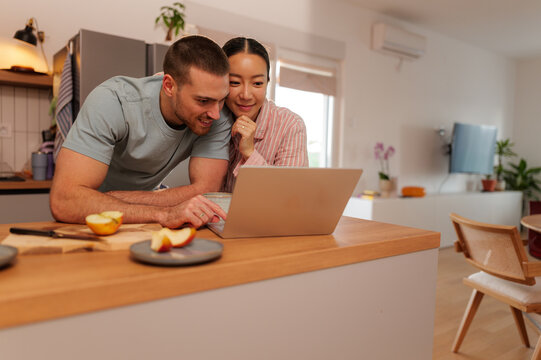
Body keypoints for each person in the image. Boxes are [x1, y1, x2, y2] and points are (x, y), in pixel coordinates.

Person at [50, 35, 231, 228]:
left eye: (221, 100)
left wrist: (117, 199)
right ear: (169, 86)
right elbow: (65, 201)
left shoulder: (216, 117)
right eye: (203, 101)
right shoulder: (113, 101)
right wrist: (164, 212)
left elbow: (206, 191)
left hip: (137, 215)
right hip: (89, 219)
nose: (215, 113)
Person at [221, 37, 309, 193]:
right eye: (235, 82)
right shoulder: (213, 117)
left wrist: (249, 153)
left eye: (257, 83)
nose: (246, 95)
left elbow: (292, 195)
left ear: (267, 83)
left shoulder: (290, 125)